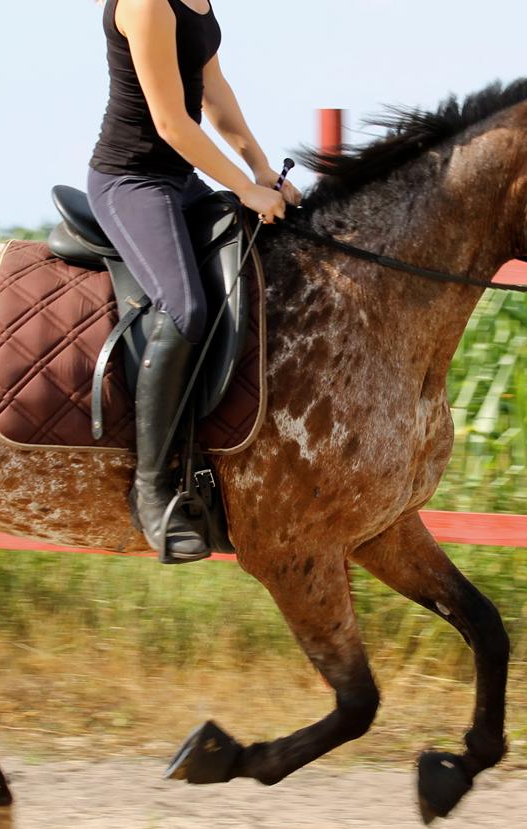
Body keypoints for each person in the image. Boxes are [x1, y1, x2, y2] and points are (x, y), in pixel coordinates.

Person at [88, 0, 301, 561]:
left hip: (179, 183)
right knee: (185, 310)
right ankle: (153, 491)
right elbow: (170, 122)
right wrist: (244, 188)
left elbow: (214, 90)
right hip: (130, 182)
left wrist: (260, 169)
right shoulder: (147, 3)